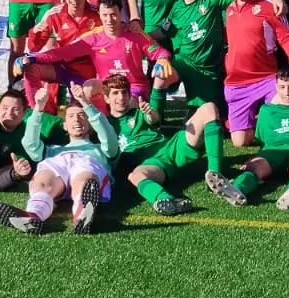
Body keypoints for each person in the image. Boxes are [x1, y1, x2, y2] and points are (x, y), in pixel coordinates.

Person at [92, 74, 235, 215]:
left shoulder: (139, 112)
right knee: (135, 176)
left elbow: (153, 119)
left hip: (171, 148)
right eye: (115, 93)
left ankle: (216, 177)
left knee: (208, 108)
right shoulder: (104, 125)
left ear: (130, 95)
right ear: (106, 98)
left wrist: (150, 114)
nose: (121, 97)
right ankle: (166, 200)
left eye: (124, 92)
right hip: (152, 164)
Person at [0, 83, 120, 235]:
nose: (76, 120)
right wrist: (38, 109)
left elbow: (110, 138)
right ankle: (33, 216)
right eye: (71, 116)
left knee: (84, 175)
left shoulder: (100, 148)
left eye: (82, 116)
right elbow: (30, 145)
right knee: (44, 174)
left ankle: (82, 213)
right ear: (65, 126)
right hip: (58, 164)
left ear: (90, 125)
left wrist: (87, 104)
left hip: (88, 163)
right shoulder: (53, 150)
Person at [19, 0, 179, 115]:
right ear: (100, 15)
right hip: (106, 87)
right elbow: (62, 52)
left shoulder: (135, 33)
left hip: (133, 88)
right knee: (88, 88)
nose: (109, 20)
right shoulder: (93, 37)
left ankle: (146, 127)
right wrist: (32, 57)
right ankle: (97, 129)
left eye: (113, 14)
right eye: (104, 15)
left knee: (125, 101)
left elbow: (159, 52)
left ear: (121, 12)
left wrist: (163, 59)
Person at [214, 70, 289, 209]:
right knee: (257, 167)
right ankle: (236, 189)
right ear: (276, 88)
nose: (287, 92)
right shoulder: (266, 111)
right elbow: (262, 143)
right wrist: (254, 159)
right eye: (282, 87)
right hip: (272, 151)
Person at [223, 0, 289, 146]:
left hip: (266, 79)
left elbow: (286, 37)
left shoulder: (268, 7)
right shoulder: (226, 7)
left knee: (283, 111)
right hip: (236, 83)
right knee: (240, 142)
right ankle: (255, 119)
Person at [24, 0, 102, 113]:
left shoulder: (98, 15)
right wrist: (34, 32)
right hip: (61, 68)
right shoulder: (54, 14)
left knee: (81, 110)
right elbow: (33, 47)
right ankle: (41, 114)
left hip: (86, 71)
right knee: (31, 69)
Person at [159, 0, 230, 110]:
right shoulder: (176, 8)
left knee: (206, 115)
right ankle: (153, 122)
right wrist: (138, 33)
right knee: (161, 73)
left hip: (208, 70)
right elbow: (162, 31)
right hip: (184, 63)